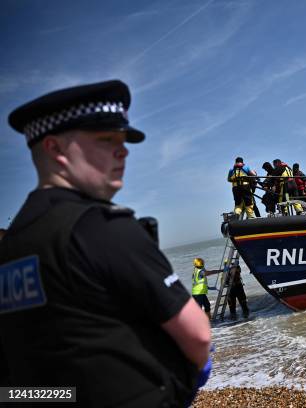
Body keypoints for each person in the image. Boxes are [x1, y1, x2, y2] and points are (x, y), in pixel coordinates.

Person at [0, 80, 211, 407]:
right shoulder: (101, 228)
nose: (123, 150)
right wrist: (182, 382)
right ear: (55, 149)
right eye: (106, 139)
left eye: (124, 140)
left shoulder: (11, 245)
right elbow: (198, 336)